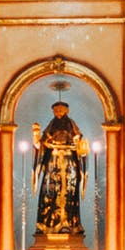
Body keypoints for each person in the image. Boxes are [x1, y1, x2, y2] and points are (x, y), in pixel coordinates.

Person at [31, 100, 89, 239]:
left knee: (69, 192)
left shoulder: (72, 125)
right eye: (56, 111)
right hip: (53, 164)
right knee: (50, 193)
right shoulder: (51, 126)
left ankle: (68, 224)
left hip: (69, 165)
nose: (58, 113)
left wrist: (76, 144)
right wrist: (36, 134)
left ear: (66, 111)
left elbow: (80, 145)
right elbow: (40, 145)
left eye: (61, 110)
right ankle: (48, 224)